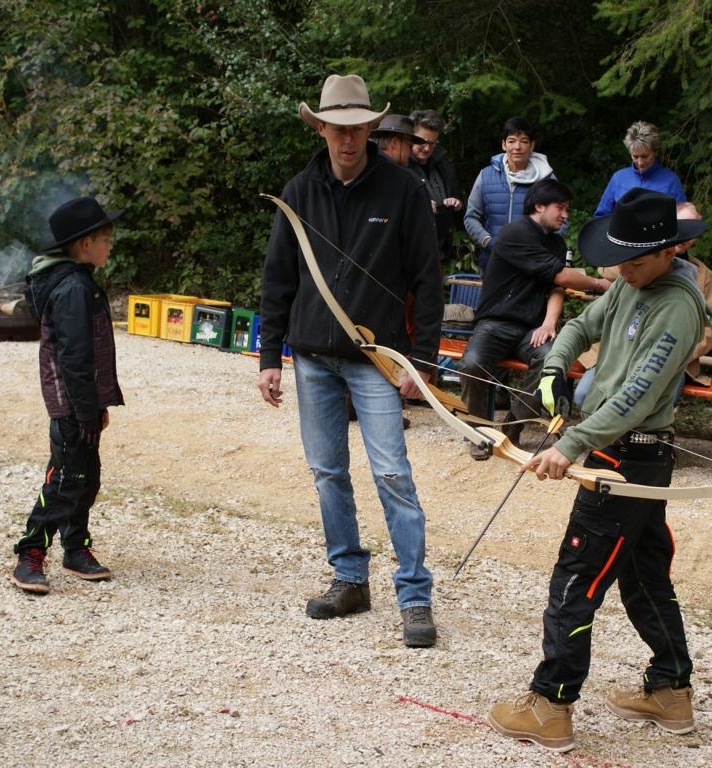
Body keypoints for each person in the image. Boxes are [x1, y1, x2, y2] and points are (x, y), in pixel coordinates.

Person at [488, 189, 710, 753]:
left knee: (575, 578)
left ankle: (551, 705)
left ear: (669, 251)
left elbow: (639, 394)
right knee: (643, 577)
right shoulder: (632, 283)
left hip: (631, 455)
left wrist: (573, 443)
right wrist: (554, 368)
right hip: (623, 453)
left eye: (634, 261)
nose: (622, 270)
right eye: (620, 260)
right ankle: (671, 691)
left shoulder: (677, 306)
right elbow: (581, 326)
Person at [257, 74, 443, 647]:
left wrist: (422, 360)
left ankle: (414, 596)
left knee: (392, 473)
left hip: (376, 359)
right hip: (313, 357)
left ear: (370, 129)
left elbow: (427, 279)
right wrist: (270, 356)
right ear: (319, 127)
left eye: (357, 128)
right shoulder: (299, 190)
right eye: (337, 128)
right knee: (327, 472)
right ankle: (350, 578)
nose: (347, 138)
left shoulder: (403, 190)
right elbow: (278, 278)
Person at [10, 196, 125, 594]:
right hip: (71, 405)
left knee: (85, 479)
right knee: (66, 480)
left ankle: (75, 548)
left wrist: (99, 404)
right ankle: (29, 554)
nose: (111, 245)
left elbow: (89, 353)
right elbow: (74, 358)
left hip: (82, 404)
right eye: (106, 239)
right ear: (85, 244)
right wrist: (85, 410)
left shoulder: (80, 282)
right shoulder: (73, 287)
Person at [458, 179, 611, 460]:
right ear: (540, 206)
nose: (565, 215)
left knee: (552, 360)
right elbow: (560, 276)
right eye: (560, 208)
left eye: (567, 209)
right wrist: (600, 284)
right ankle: (480, 432)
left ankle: (513, 425)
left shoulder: (556, 243)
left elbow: (556, 287)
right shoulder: (515, 233)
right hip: (495, 323)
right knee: (471, 363)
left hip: (532, 329)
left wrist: (549, 323)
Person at [573, 201, 712, 408]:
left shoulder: (705, 276)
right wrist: (635, 256)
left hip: (668, 360)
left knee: (647, 407)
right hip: (618, 352)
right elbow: (605, 269)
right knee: (584, 396)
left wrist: (678, 351)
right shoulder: (631, 259)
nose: (684, 235)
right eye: (679, 225)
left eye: (690, 228)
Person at [463, 116, 558, 272]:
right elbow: (471, 217)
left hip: (533, 264)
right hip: (493, 261)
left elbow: (560, 220)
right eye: (512, 141)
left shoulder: (546, 178)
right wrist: (487, 241)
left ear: (532, 145)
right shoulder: (486, 175)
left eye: (524, 141)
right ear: (503, 144)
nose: (517, 147)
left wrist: (540, 247)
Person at [593, 121, 687, 217]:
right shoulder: (618, 179)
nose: (640, 162)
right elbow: (600, 217)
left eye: (645, 156)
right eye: (635, 156)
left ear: (656, 152)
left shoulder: (671, 181)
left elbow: (684, 220)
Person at [409, 109, 462, 265]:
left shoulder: (442, 162)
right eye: (422, 142)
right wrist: (420, 205)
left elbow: (457, 198)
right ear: (411, 137)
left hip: (439, 251)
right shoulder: (400, 166)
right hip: (411, 254)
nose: (427, 148)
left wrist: (457, 203)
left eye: (432, 143)